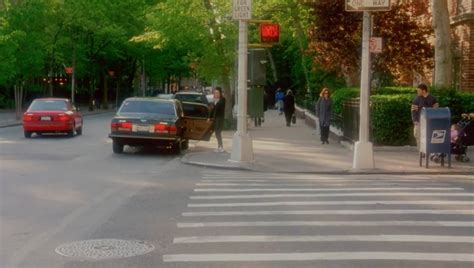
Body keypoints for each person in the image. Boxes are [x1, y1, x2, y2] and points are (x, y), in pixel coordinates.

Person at [411, 83, 438, 148]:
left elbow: (436, 110)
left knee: (429, 136)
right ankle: (421, 151)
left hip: (429, 121)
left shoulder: (433, 99)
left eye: (418, 90)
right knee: (417, 134)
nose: (417, 92)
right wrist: (415, 120)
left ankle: (429, 150)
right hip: (419, 121)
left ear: (424, 91)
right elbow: (413, 111)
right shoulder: (416, 99)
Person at [211, 87, 226, 153]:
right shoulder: (215, 101)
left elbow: (220, 107)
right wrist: (209, 117)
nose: (216, 94)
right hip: (216, 119)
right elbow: (213, 110)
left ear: (220, 93)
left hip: (220, 119)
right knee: (217, 133)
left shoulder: (222, 100)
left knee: (218, 133)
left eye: (217, 93)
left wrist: (216, 102)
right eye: (215, 93)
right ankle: (219, 146)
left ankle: (221, 147)